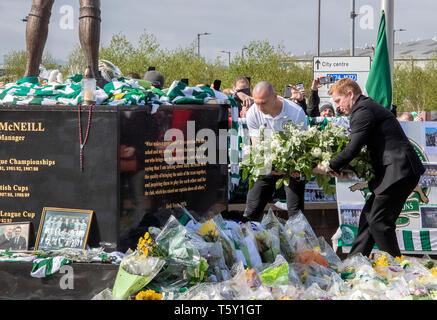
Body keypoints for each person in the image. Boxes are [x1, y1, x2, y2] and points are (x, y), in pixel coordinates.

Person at [313, 78, 425, 258]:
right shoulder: (365, 108)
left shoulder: (363, 110)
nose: (338, 106)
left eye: (338, 101)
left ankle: (396, 267)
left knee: (378, 222)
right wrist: (344, 168)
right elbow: (360, 150)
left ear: (350, 94)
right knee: (369, 218)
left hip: (399, 170)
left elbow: (353, 148)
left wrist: (326, 166)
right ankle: (354, 264)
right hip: (397, 170)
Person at [244, 81, 308, 221]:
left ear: (275, 96)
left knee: (296, 213)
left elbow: (302, 146)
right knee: (252, 210)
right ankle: (248, 239)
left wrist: (290, 168)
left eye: (263, 103)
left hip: (292, 164)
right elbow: (257, 146)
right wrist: (270, 166)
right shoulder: (252, 113)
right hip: (267, 162)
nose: (259, 107)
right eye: (257, 103)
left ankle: (300, 240)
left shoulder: (296, 112)